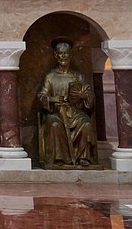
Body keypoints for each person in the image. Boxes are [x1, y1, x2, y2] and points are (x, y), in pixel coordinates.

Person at [36, 38, 96, 168]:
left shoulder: (78, 76)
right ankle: (59, 158)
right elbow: (42, 94)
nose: (63, 56)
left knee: (86, 124)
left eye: (66, 53)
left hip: (74, 112)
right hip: (57, 112)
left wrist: (83, 96)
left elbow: (89, 94)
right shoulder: (50, 76)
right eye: (60, 53)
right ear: (55, 56)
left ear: (71, 55)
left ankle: (83, 157)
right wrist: (51, 99)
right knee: (55, 124)